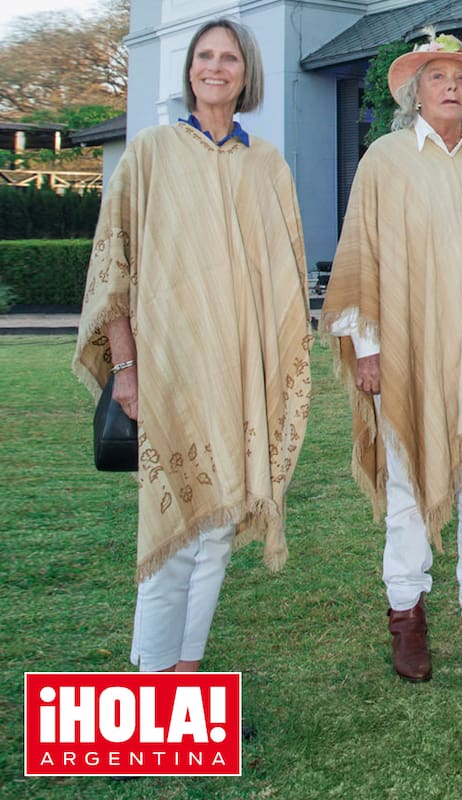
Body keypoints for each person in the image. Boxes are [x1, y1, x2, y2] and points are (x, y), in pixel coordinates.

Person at [72, 18, 312, 674]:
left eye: (228, 57)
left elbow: (283, 274)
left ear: (246, 72)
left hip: (238, 376)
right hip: (168, 372)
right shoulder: (149, 154)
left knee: (217, 532)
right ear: (189, 71)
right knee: (174, 529)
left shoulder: (266, 164)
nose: (215, 67)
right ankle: (151, 678)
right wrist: (126, 370)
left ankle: (187, 673)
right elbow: (115, 268)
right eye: (203, 56)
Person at [320, 30, 462, 683]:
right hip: (409, 352)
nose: (451, 86)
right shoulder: (385, 159)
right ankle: (407, 617)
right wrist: (369, 348)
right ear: (414, 91)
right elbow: (363, 254)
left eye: (461, 79)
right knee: (411, 486)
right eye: (438, 77)